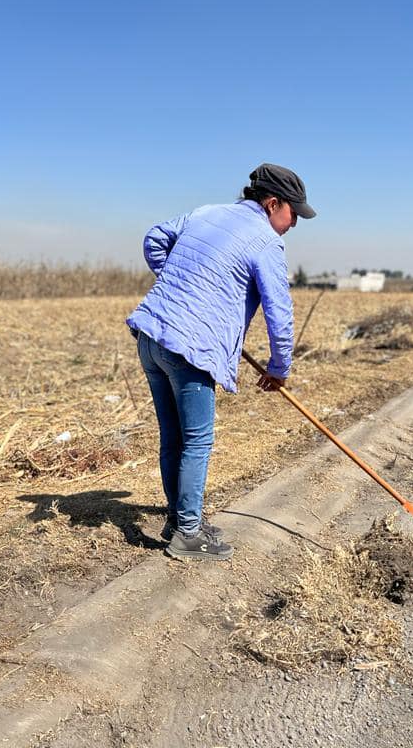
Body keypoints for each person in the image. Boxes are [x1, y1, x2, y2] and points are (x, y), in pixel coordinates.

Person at [126, 163, 316, 561]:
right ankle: (188, 534)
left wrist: (180, 282)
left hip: (151, 336)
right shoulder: (266, 241)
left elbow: (154, 237)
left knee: (172, 436)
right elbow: (280, 313)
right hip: (188, 349)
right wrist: (279, 369)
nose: (294, 222)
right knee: (196, 441)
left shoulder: (206, 212)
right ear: (272, 203)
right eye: (293, 213)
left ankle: (180, 520)